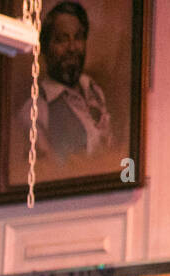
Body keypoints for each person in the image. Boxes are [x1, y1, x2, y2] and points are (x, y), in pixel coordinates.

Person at [33, 2, 113, 164]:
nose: (72, 48)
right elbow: (49, 170)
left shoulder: (93, 89)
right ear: (45, 48)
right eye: (62, 40)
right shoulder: (37, 109)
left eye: (78, 38)